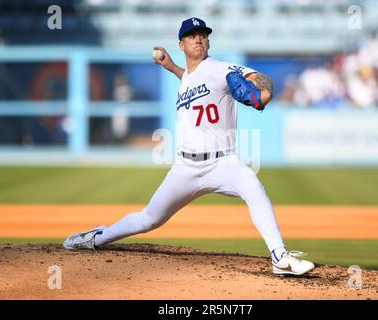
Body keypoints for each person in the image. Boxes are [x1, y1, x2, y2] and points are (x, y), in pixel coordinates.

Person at [63, 17, 315, 276]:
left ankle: (279, 256)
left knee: (253, 187)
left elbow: (259, 80)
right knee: (149, 219)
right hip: (185, 167)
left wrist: (263, 90)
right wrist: (172, 66)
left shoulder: (220, 68)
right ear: (181, 44)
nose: (199, 38)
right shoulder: (188, 78)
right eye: (192, 35)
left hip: (223, 163)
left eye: (203, 35)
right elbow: (192, 79)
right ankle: (97, 237)